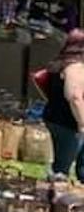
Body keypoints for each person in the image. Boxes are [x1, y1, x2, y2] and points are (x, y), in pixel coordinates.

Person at [41, 29, 84, 182]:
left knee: (60, 166)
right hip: (68, 123)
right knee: (61, 170)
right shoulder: (75, 67)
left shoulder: (58, 63)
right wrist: (82, 122)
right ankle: (57, 201)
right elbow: (74, 97)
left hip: (53, 117)